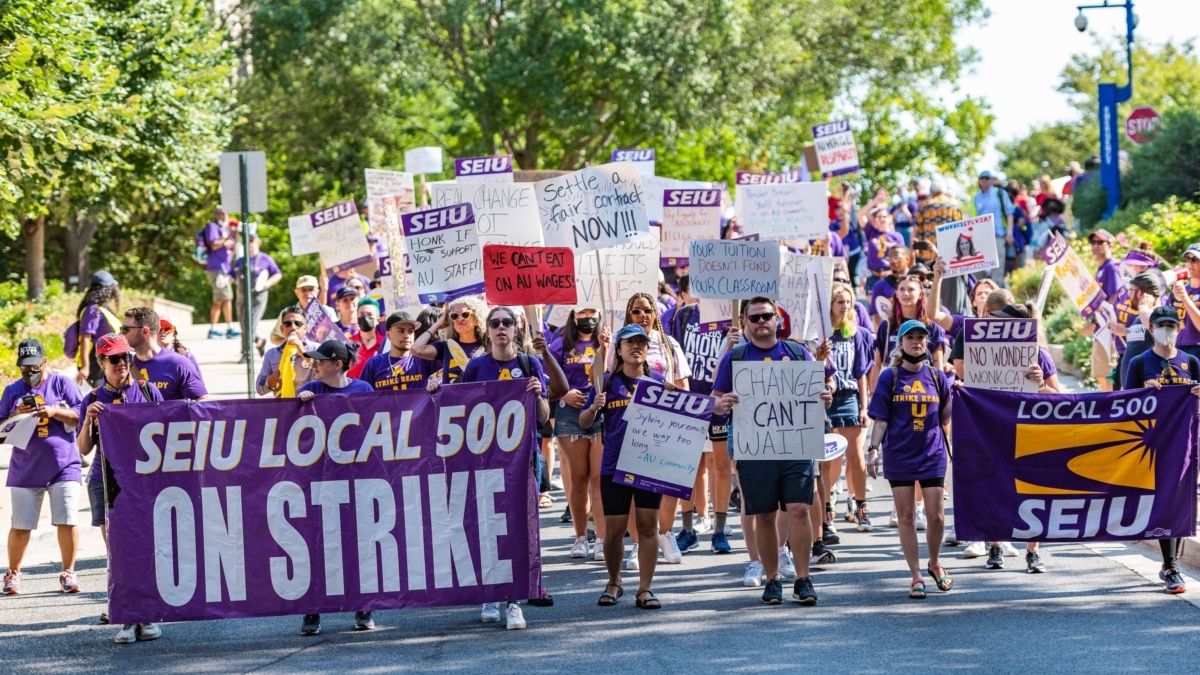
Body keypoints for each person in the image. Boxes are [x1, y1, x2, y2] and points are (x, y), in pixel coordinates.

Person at [710, 297, 832, 605]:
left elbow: (819, 392)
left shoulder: (796, 352)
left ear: (777, 320)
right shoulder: (735, 356)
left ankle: (804, 579)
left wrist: (825, 397)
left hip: (795, 446)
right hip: (754, 448)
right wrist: (722, 405)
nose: (762, 322)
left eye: (767, 316)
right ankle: (772, 577)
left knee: (800, 509)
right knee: (763, 515)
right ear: (746, 323)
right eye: (755, 318)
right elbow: (715, 398)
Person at [457, 306, 552, 629]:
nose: (501, 328)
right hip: (484, 461)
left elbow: (543, 417)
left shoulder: (530, 364)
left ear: (516, 329)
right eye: (495, 323)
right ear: (488, 331)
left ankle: (514, 601)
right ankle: (490, 592)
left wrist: (539, 396)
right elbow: (459, 407)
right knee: (487, 526)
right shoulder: (476, 366)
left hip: (522, 460)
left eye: (507, 323)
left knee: (518, 528)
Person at [952, 302, 1060, 573]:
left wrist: (1041, 384)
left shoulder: (1039, 355)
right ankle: (995, 544)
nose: (995, 324)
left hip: (1028, 434)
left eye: (1003, 321)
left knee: (1030, 490)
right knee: (991, 485)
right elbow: (970, 385)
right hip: (992, 431)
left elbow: (1060, 398)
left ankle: (1033, 552)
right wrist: (961, 386)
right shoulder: (982, 353)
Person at [76, 333, 164, 643]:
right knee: (118, 551)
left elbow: (168, 433)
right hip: (107, 481)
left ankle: (148, 615)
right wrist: (88, 420)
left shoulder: (148, 391)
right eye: (114, 359)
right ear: (101, 362)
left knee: (147, 548)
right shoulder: (93, 399)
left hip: (143, 482)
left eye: (126, 357)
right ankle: (127, 617)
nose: (122, 364)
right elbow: (83, 449)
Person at [578, 323, 672, 610]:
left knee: (647, 526)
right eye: (629, 343)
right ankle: (614, 581)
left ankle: (645, 588)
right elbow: (583, 422)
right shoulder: (606, 382)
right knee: (614, 529)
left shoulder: (658, 383)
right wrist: (594, 407)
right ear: (618, 350)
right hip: (614, 466)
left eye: (641, 343)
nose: (636, 347)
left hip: (648, 466)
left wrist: (673, 397)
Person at [866, 320, 953, 599]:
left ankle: (935, 562)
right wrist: (873, 449)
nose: (916, 341)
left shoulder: (938, 377)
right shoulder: (889, 377)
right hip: (900, 454)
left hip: (932, 453)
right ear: (900, 343)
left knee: (936, 516)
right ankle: (915, 575)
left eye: (921, 337)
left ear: (927, 343)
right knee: (905, 517)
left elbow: (946, 419)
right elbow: (881, 419)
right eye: (910, 337)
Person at [293, 339, 375, 635]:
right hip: (320, 480)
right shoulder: (313, 391)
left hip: (355, 480)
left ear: (337, 364)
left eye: (319, 361)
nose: (314, 365)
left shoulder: (363, 390)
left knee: (357, 544)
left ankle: (363, 607)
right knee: (318, 545)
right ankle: (312, 611)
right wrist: (300, 403)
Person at [1125, 305, 1200, 594]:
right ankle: (1172, 567)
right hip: (1154, 444)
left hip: (1189, 440)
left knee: (1182, 500)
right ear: (1151, 329)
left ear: (1179, 329)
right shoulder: (1141, 363)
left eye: (1171, 324)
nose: (1166, 329)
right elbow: (1123, 405)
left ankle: (1171, 564)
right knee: (1168, 499)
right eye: (1160, 324)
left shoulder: (1191, 362)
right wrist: (1144, 392)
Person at [1, 340, 83, 596]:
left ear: (45, 362)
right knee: (21, 523)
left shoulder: (62, 384)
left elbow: (82, 413)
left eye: (34, 366)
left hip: (64, 463)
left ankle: (68, 571)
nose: (29, 372)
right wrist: (17, 415)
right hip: (26, 466)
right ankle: (13, 573)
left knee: (67, 518)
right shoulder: (12, 390)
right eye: (24, 367)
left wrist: (54, 411)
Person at [666, 277, 736, 554]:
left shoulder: (728, 319)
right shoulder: (684, 316)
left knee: (721, 466)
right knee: (688, 467)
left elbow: (732, 362)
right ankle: (687, 529)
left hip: (719, 399)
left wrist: (732, 342)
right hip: (689, 400)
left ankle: (719, 530)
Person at [622, 292, 692, 568]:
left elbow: (683, 384)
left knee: (669, 484)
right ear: (629, 315)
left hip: (666, 424)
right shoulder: (620, 344)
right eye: (637, 311)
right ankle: (638, 543)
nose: (643, 316)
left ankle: (665, 533)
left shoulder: (668, 344)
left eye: (647, 310)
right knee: (632, 484)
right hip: (631, 425)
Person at [547, 307, 607, 560]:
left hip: (601, 411)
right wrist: (564, 393)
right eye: (582, 311)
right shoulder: (560, 344)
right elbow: (546, 378)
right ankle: (580, 537)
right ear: (573, 316)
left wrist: (606, 347)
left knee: (599, 478)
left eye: (592, 311)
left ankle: (602, 538)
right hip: (570, 414)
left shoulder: (608, 340)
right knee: (579, 477)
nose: (587, 316)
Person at [827, 283, 875, 532]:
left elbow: (862, 373)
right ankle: (827, 510)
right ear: (830, 305)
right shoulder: (821, 333)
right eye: (840, 302)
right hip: (825, 399)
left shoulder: (856, 333)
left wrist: (864, 407)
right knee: (830, 457)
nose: (845, 306)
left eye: (848, 301)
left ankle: (861, 507)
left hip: (849, 398)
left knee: (856, 456)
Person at [123, 307, 208, 402]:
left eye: (126, 329)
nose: (121, 334)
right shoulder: (122, 366)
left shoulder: (179, 363)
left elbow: (202, 400)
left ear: (145, 331)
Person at [1079, 229, 1121, 391]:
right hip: (1101, 327)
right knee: (1100, 371)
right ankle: (1108, 401)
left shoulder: (1111, 267)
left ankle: (1110, 406)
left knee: (1106, 371)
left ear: (1110, 245)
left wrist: (1095, 322)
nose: (1095, 246)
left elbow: (1114, 297)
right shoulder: (1101, 268)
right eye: (1093, 242)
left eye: (1100, 242)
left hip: (1108, 327)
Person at [412, 296, 487, 385]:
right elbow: (416, 349)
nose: (459, 319)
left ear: (476, 319)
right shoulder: (446, 347)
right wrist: (438, 323)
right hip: (452, 398)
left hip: (479, 398)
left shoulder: (488, 347)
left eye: (465, 314)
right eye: (454, 316)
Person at [359, 310, 438, 391]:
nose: (407, 335)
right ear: (388, 335)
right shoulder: (374, 364)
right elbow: (362, 396)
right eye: (401, 331)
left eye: (410, 331)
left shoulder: (425, 359)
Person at [233, 232, 283, 357]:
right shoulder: (240, 261)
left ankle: (246, 354)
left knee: (250, 324)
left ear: (257, 243)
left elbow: (277, 274)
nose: (250, 245)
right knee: (244, 326)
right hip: (242, 297)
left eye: (252, 242)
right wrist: (223, 281)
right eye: (247, 242)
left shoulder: (265, 259)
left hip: (257, 297)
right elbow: (231, 275)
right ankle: (259, 341)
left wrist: (267, 284)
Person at [74, 271, 121, 389]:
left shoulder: (103, 309)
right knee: (99, 394)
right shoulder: (92, 310)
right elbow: (85, 338)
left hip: (109, 357)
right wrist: (85, 367)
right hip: (96, 361)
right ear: (108, 289)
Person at [256, 306, 318, 397]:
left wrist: (304, 353)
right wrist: (271, 380)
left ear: (305, 328)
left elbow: (327, 379)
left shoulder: (316, 349)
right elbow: (259, 389)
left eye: (298, 323)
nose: (293, 327)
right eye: (288, 324)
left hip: (309, 405)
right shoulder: (272, 354)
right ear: (282, 329)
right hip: (283, 406)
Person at [201, 207, 239, 339]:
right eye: (222, 213)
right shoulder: (212, 226)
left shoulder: (227, 230)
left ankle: (219, 328)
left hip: (225, 267)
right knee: (225, 297)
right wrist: (227, 238)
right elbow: (214, 245)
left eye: (226, 213)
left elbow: (232, 250)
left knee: (221, 298)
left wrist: (234, 236)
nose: (225, 216)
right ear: (217, 215)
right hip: (216, 266)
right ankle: (225, 328)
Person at [972, 171, 1014, 286]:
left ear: (991, 180)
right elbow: (973, 218)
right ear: (979, 180)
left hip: (998, 235)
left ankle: (998, 298)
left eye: (987, 178)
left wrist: (1009, 233)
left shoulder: (1000, 193)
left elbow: (1009, 213)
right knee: (978, 270)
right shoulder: (976, 197)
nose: (984, 180)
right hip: (981, 238)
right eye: (982, 178)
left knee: (998, 270)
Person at [1166, 243, 1200, 360]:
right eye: (1187, 259)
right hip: (1176, 348)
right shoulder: (1181, 289)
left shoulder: (1183, 293)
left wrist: (1185, 298)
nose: (1189, 263)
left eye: (1195, 259)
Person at [347, 298, 384, 379]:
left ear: (378, 319)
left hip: (377, 391)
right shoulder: (347, 343)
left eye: (370, 314)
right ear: (357, 318)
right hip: (352, 391)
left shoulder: (385, 344)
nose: (365, 318)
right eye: (362, 314)